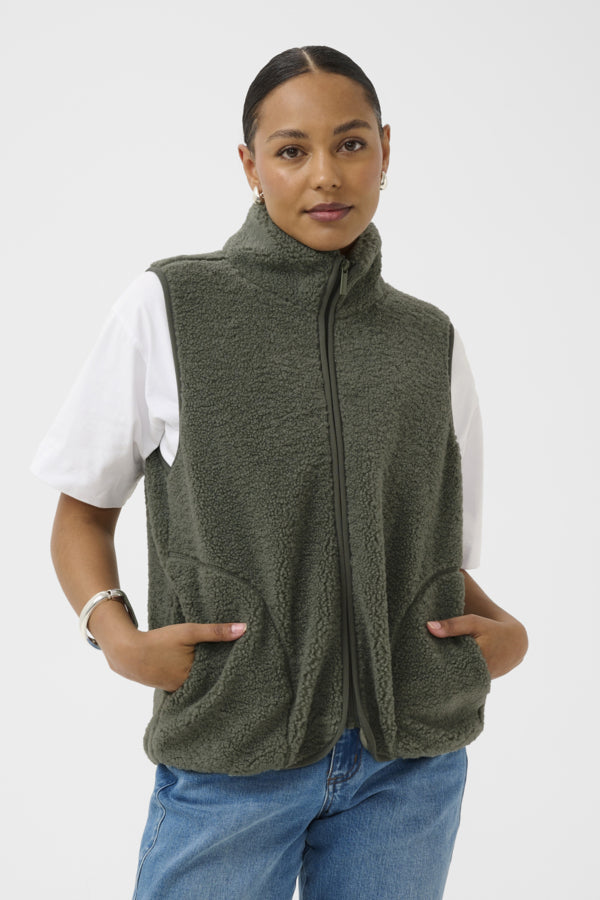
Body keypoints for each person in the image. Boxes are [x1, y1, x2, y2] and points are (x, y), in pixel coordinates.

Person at [32, 45, 528, 900]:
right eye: (292, 150)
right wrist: (117, 640)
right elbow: (81, 512)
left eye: (352, 143)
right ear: (249, 165)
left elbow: (432, 555)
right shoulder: (170, 306)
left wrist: (507, 636)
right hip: (233, 753)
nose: (326, 175)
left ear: (385, 149)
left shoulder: (428, 341)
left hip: (407, 766)